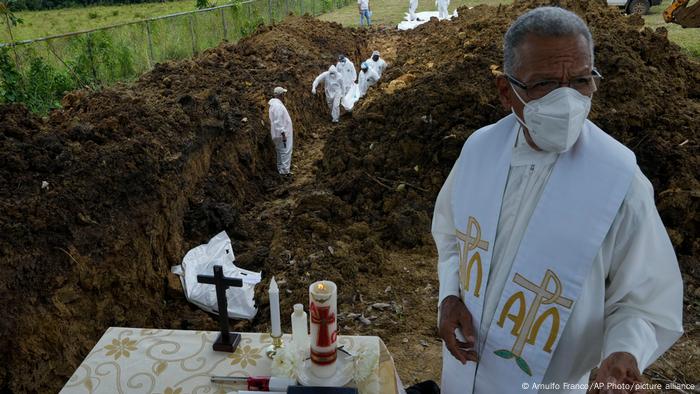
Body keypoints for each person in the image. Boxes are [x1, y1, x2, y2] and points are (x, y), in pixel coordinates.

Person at [432, 7, 683, 394]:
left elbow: (643, 300)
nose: (567, 100)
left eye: (581, 81)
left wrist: (624, 352)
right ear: (506, 92)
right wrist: (450, 296)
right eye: (546, 84)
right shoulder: (479, 151)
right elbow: (452, 238)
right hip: (463, 370)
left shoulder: (620, 180)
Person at [268, 87, 293, 175]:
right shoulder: (278, 106)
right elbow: (278, 121)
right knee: (285, 152)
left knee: (280, 151)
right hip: (282, 134)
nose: (284, 96)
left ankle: (281, 170)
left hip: (277, 133)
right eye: (284, 94)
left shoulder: (274, 105)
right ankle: (285, 172)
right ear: (281, 95)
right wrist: (283, 133)